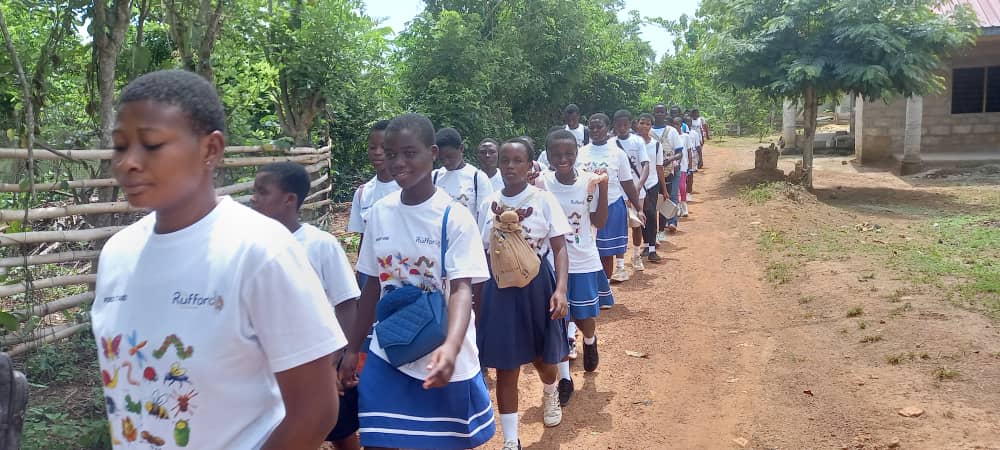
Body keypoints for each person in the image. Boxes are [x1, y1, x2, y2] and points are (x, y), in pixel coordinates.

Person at [93, 70, 345, 450]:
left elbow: (316, 410)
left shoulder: (260, 251)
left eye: (152, 144)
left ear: (210, 150)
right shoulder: (117, 253)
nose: (128, 162)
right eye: (119, 146)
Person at [341, 113, 495, 450]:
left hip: (440, 355)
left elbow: (461, 289)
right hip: (389, 349)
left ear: (433, 153)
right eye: (391, 153)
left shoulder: (454, 218)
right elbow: (370, 286)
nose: (398, 162)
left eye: (409, 153)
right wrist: (353, 348)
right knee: (379, 441)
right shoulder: (380, 212)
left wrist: (452, 348)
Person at [251, 162, 363, 450]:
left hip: (320, 359)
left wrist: (337, 362)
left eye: (262, 192)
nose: (253, 199)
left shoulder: (320, 245)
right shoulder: (250, 247)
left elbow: (347, 304)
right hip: (270, 363)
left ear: (290, 199)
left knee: (340, 432)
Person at [475, 138, 571, 450]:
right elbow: (478, 252)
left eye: (518, 161)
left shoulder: (543, 200)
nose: (511, 166)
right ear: (498, 164)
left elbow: (559, 248)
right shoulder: (487, 203)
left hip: (536, 286)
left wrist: (560, 290)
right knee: (506, 365)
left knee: (543, 359)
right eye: (506, 160)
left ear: (530, 166)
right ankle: (511, 440)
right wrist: (476, 302)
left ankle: (550, 389)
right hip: (499, 288)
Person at [540, 130, 611, 407]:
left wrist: (603, 187)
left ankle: (590, 340)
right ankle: (565, 378)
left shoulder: (588, 182)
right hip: (550, 261)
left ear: (577, 153)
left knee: (582, 316)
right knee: (557, 320)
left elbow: (600, 221)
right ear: (547, 156)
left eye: (568, 153)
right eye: (556, 154)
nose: (563, 159)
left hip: (581, 259)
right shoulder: (542, 183)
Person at [578, 113, 643, 284]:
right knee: (589, 250)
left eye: (599, 127)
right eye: (591, 127)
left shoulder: (617, 154)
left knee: (606, 251)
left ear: (608, 129)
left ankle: (604, 287)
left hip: (612, 205)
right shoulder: (580, 153)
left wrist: (638, 207)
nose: (595, 130)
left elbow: (627, 183)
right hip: (585, 208)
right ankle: (593, 285)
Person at [611, 110, 650, 272]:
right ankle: (620, 265)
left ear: (630, 124)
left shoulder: (638, 142)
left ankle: (635, 255)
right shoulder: (610, 143)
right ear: (614, 125)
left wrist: (639, 185)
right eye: (619, 125)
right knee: (619, 228)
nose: (622, 128)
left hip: (635, 191)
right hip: (616, 194)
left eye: (625, 124)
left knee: (636, 225)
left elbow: (646, 165)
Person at [348, 120, 401, 239]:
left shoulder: (409, 190)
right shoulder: (362, 194)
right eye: (372, 147)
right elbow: (364, 239)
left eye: (384, 147)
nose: (377, 152)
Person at [433, 127, 494, 220]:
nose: (446, 162)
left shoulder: (477, 178)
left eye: (450, 156)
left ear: (461, 148)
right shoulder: (434, 177)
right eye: (441, 158)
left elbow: (486, 217)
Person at [636, 113, 667, 262]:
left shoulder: (656, 144)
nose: (644, 126)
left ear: (651, 126)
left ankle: (653, 249)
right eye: (642, 123)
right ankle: (646, 244)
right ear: (637, 124)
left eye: (648, 124)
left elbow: (659, 167)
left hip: (652, 183)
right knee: (640, 215)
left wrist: (664, 189)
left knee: (652, 215)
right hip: (636, 185)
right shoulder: (632, 143)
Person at [660, 116, 686, 234]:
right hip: (656, 171)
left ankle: (672, 221)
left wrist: (670, 160)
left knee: (673, 195)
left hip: (673, 169)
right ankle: (661, 226)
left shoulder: (672, 132)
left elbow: (680, 153)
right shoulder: (649, 132)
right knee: (660, 199)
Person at [679, 119, 695, 218]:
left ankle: (684, 207)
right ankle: (676, 208)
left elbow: (689, 151)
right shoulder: (672, 136)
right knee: (675, 190)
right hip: (673, 166)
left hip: (683, 165)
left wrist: (690, 165)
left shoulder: (686, 137)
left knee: (682, 186)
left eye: (678, 124)